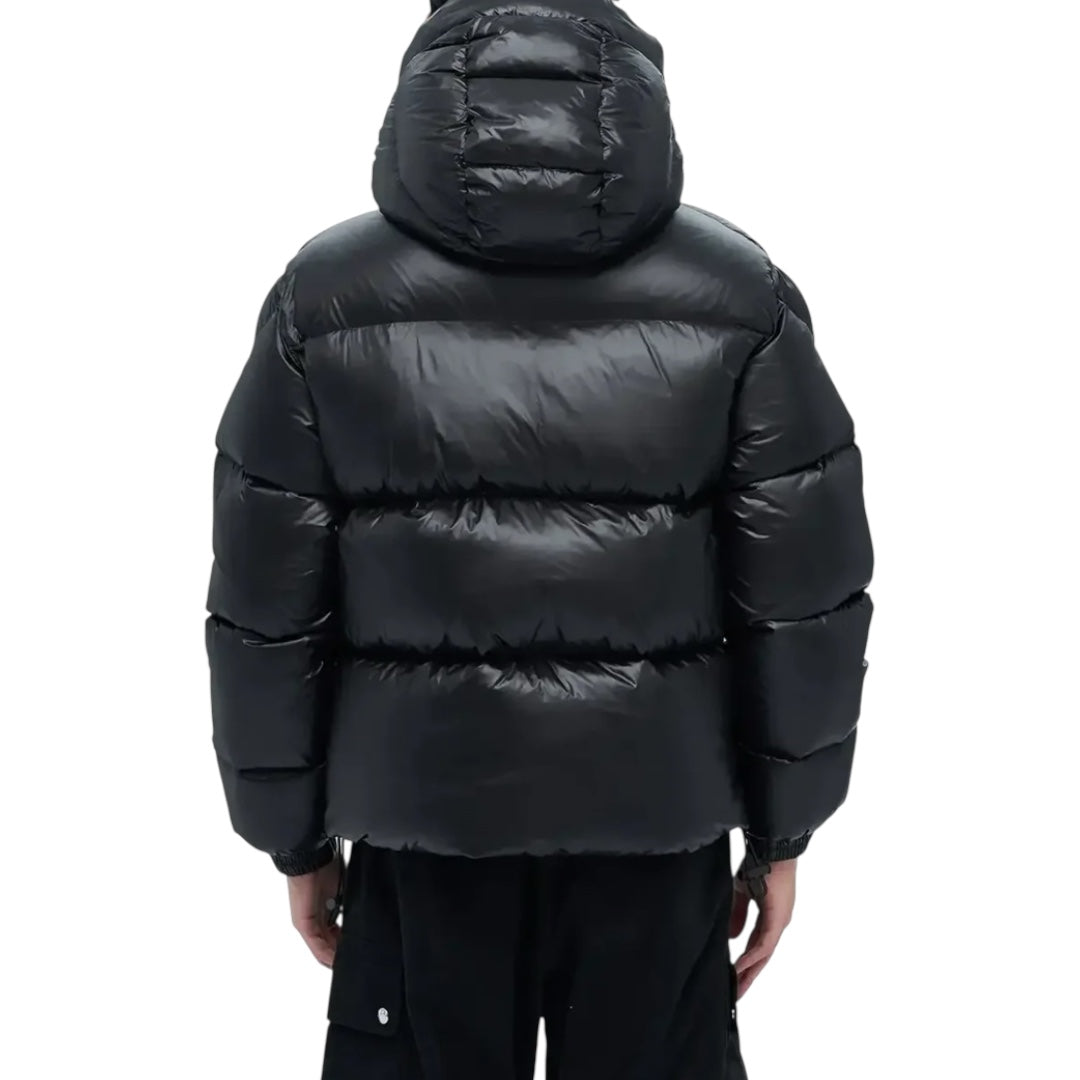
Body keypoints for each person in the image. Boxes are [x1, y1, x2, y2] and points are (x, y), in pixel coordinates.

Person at [204, 1, 874, 1076]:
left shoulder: (323, 300)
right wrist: (784, 831)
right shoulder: (739, 295)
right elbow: (803, 602)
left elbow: (265, 610)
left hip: (421, 827)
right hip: (658, 821)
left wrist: (294, 838)